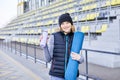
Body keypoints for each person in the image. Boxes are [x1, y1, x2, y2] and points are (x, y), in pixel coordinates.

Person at [40, 13, 84, 80]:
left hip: (72, 75)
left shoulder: (76, 37)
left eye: (67, 23)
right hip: (56, 76)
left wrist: (79, 58)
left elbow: (81, 59)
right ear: (60, 26)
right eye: (62, 23)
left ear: (71, 24)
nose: (65, 25)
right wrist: (45, 46)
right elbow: (48, 59)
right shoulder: (54, 37)